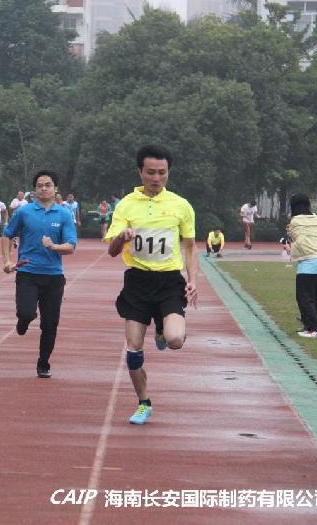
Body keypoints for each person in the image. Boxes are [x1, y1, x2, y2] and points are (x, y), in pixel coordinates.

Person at [105, 145, 198, 425]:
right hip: (137, 281)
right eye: (151, 172)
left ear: (168, 172)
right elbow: (112, 251)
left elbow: (190, 246)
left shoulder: (181, 205)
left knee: (175, 340)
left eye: (162, 173)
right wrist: (121, 237)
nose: (156, 178)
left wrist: (193, 279)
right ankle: (143, 402)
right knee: (133, 348)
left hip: (169, 282)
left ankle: (161, 328)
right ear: (140, 172)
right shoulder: (126, 205)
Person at [1, 170, 76, 378]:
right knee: (26, 312)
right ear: (34, 189)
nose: (44, 188)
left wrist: (54, 246)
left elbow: (70, 246)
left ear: (55, 188)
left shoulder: (64, 214)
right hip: (28, 273)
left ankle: (43, 362)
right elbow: (7, 235)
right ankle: (23, 321)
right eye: (40, 185)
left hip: (54, 276)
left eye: (48, 185)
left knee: (50, 324)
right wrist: (7, 260)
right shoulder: (24, 212)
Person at [287, 193, 317, 338]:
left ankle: (315, 329)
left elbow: (293, 237)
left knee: (304, 297)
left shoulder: (295, 221)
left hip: (308, 262)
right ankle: (309, 327)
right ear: (308, 205)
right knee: (312, 296)